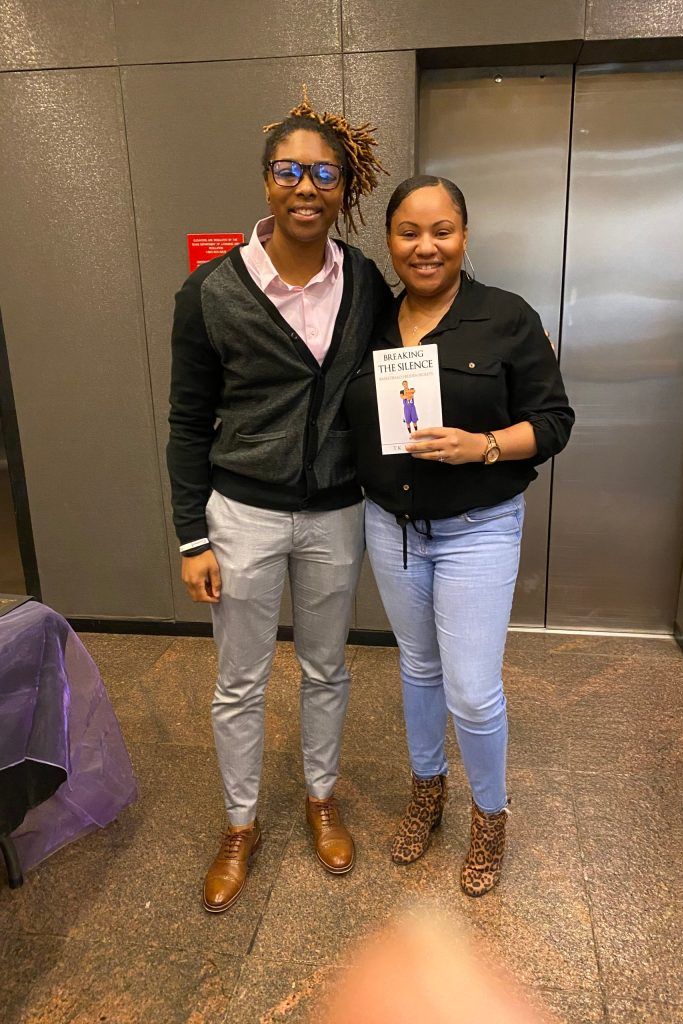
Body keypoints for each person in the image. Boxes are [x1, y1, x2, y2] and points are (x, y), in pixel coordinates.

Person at [166, 89, 391, 913]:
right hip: (243, 514)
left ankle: (321, 798)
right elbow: (187, 421)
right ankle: (240, 823)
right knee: (240, 680)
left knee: (328, 667)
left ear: (344, 188)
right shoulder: (210, 291)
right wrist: (192, 537)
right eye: (289, 170)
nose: (306, 187)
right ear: (266, 180)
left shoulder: (364, 281)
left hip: (336, 511)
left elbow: (413, 351)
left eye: (324, 174)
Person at [345, 175, 574, 896]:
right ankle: (427, 790)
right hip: (392, 525)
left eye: (441, 231)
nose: (426, 246)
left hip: (478, 528)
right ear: (389, 242)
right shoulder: (370, 321)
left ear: (465, 236)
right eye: (409, 232)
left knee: (472, 691)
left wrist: (484, 446)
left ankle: (489, 815)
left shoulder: (507, 317)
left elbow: (555, 421)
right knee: (418, 668)